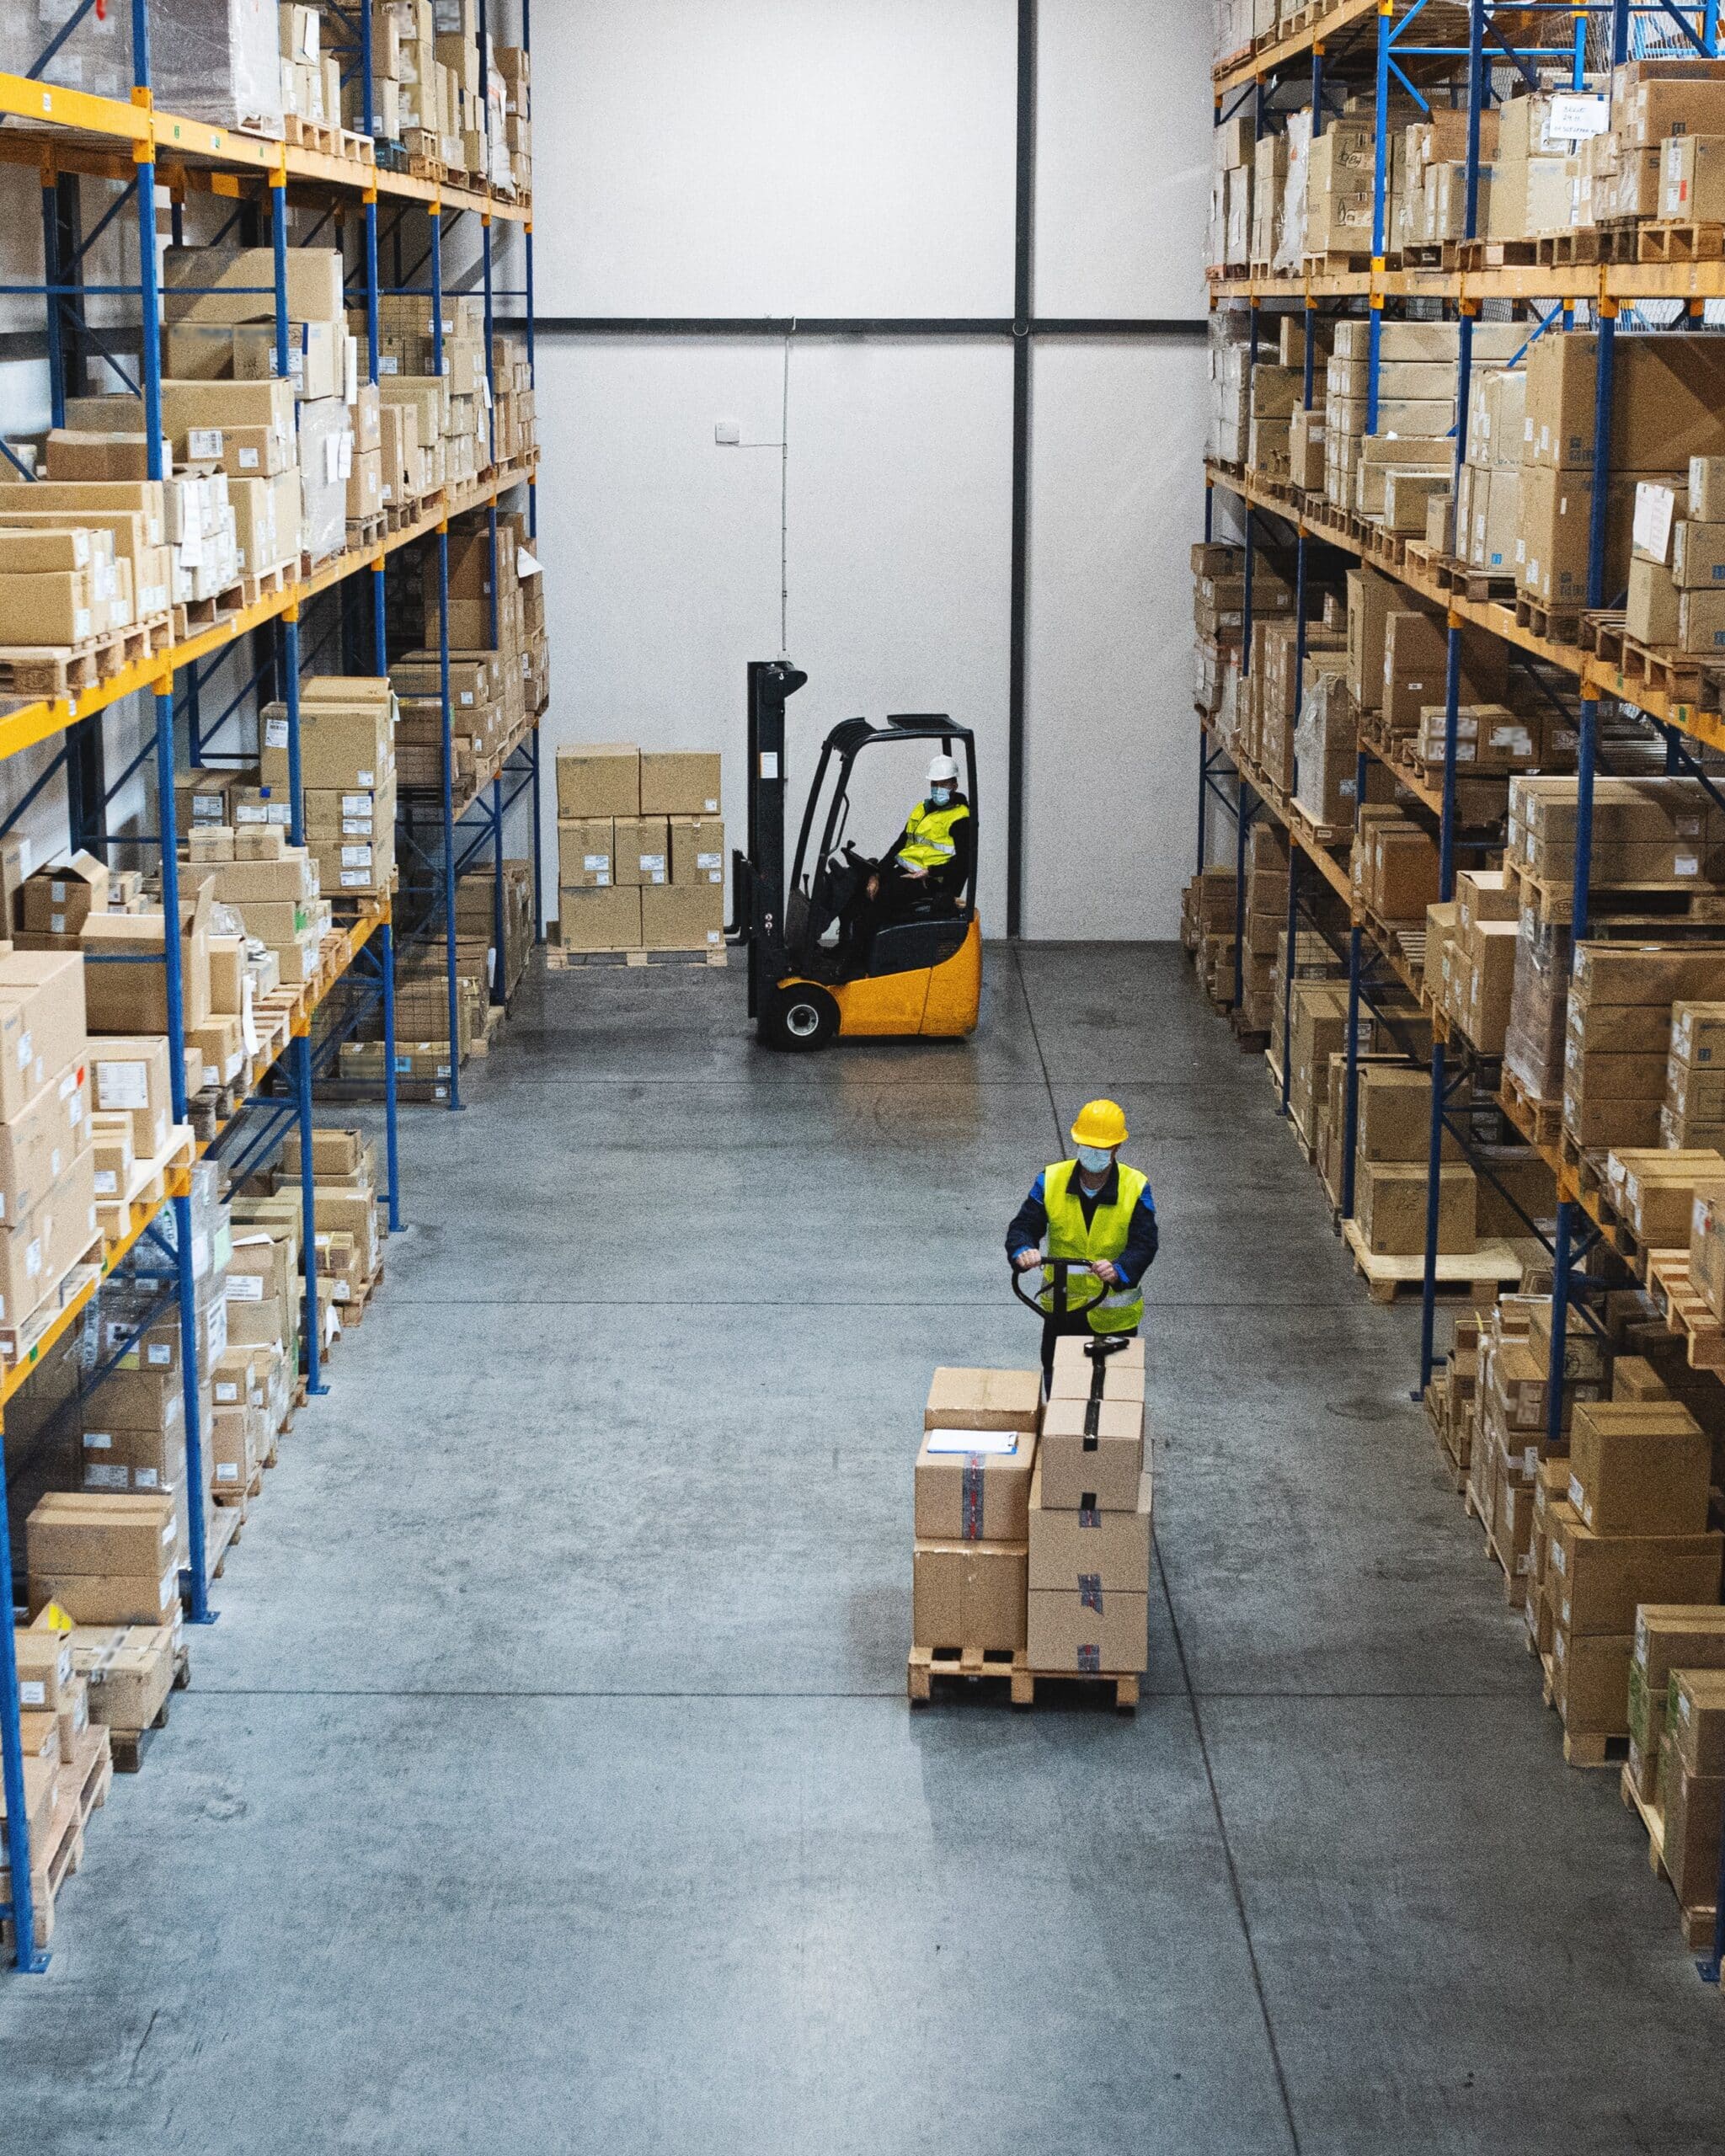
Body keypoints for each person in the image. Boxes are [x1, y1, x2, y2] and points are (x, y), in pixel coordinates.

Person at [1006, 1098, 1158, 1389]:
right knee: (1060, 1383)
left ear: (1116, 1149)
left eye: (1101, 1148)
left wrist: (1120, 1270)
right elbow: (1023, 1226)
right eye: (1088, 1146)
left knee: (1113, 1390)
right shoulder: (1051, 1180)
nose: (1093, 1154)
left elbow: (1145, 1242)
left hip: (1114, 1319)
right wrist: (1023, 1250)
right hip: (1062, 1311)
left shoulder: (1136, 1186)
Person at [844, 755, 974, 958]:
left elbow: (964, 862)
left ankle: (853, 958)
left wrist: (929, 872)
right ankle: (848, 946)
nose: (937, 788)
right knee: (856, 883)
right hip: (908, 873)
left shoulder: (960, 817)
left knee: (884, 897)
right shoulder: (922, 808)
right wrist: (876, 874)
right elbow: (900, 844)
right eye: (934, 783)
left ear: (954, 785)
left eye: (943, 783)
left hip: (931, 881)